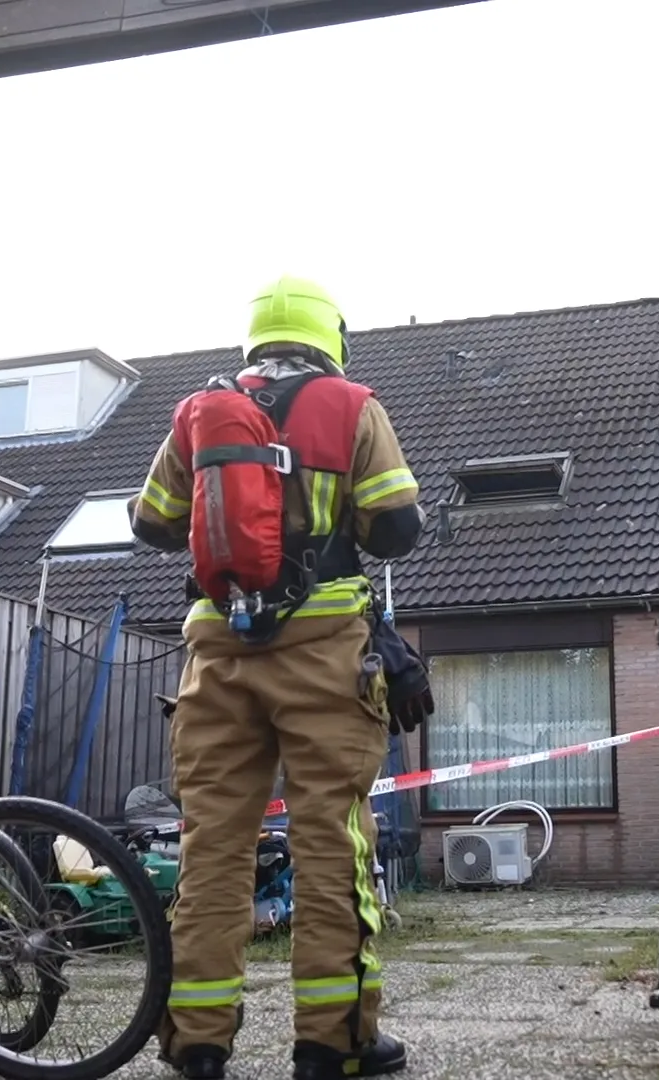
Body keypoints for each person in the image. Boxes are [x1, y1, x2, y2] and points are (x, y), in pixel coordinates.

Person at [128, 274, 429, 1080]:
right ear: (330, 336)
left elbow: (151, 523)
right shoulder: (352, 406)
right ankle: (334, 1045)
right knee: (331, 843)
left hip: (218, 655)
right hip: (325, 653)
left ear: (255, 338)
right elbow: (397, 527)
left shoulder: (199, 411)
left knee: (213, 850)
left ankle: (197, 1044)